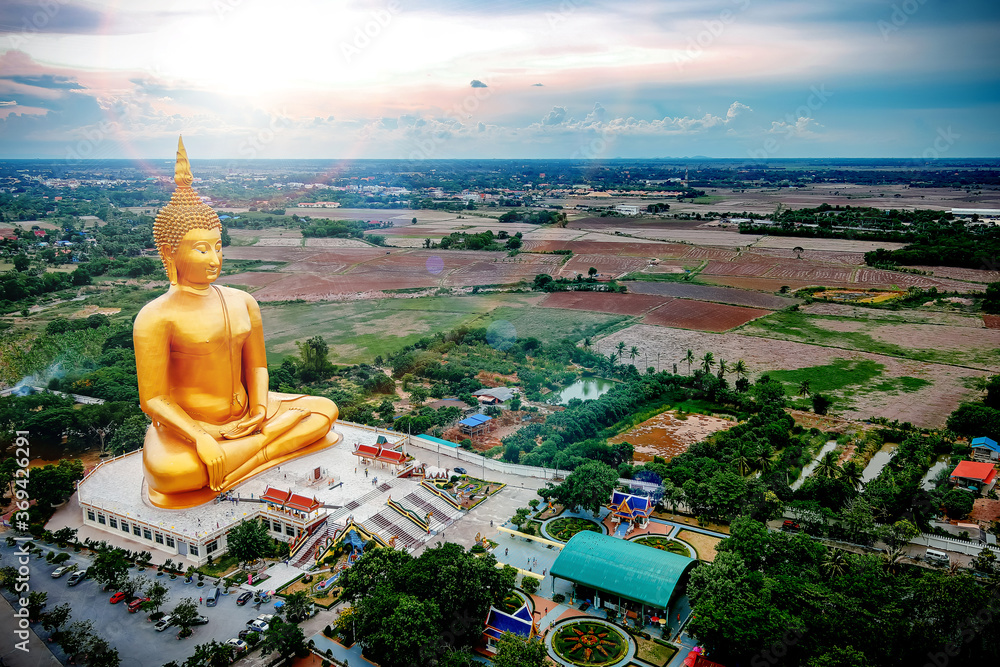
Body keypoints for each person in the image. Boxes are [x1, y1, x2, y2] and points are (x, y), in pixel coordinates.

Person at [135, 138, 339, 509]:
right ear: (169, 253)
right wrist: (200, 437)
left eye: (218, 247)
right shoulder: (155, 315)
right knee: (171, 474)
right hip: (191, 426)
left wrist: (260, 411)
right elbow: (153, 398)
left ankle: (247, 454)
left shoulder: (242, 300)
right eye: (201, 249)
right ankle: (267, 446)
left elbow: (257, 366)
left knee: (326, 409)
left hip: (249, 414)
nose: (215, 259)